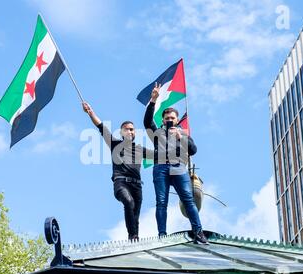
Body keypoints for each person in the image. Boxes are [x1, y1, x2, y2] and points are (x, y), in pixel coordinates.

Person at [143, 83, 208, 244]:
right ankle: (162, 235)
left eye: (172, 118)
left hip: (179, 167)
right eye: (167, 119)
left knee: (188, 199)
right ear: (163, 120)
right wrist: (153, 100)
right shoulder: (157, 133)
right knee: (161, 201)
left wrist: (181, 137)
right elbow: (146, 122)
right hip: (161, 167)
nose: (170, 120)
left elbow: (193, 150)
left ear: (177, 119)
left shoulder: (183, 133)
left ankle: (198, 232)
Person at [82, 102, 153, 241]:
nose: (130, 131)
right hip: (121, 183)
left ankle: (134, 240)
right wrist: (90, 112)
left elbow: (161, 155)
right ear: (121, 132)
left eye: (132, 129)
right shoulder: (115, 144)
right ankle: (133, 237)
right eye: (126, 129)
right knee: (128, 202)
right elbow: (101, 127)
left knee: (135, 216)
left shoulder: (140, 149)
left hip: (137, 186)